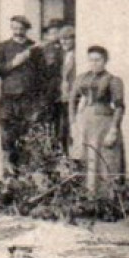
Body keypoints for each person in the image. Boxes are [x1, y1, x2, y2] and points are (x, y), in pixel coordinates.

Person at [0, 15, 45, 172]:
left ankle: (26, 175)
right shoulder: (3, 47)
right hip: (8, 99)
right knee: (8, 137)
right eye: (14, 28)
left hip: (28, 100)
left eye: (21, 28)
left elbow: (42, 75)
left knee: (27, 136)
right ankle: (8, 173)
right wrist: (13, 63)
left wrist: (39, 101)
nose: (17, 31)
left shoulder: (35, 48)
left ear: (26, 29)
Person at [70, 45, 125, 199]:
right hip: (86, 123)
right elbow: (72, 101)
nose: (94, 63)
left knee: (105, 160)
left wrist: (114, 129)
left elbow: (120, 107)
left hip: (104, 123)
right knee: (86, 158)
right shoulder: (81, 78)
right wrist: (73, 122)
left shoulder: (113, 80)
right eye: (91, 60)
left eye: (98, 60)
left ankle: (107, 200)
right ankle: (88, 199)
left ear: (105, 61)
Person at [57, 25, 80, 159]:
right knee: (63, 131)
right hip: (63, 98)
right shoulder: (63, 56)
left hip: (74, 99)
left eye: (67, 39)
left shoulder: (77, 56)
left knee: (73, 130)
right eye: (61, 39)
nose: (64, 42)